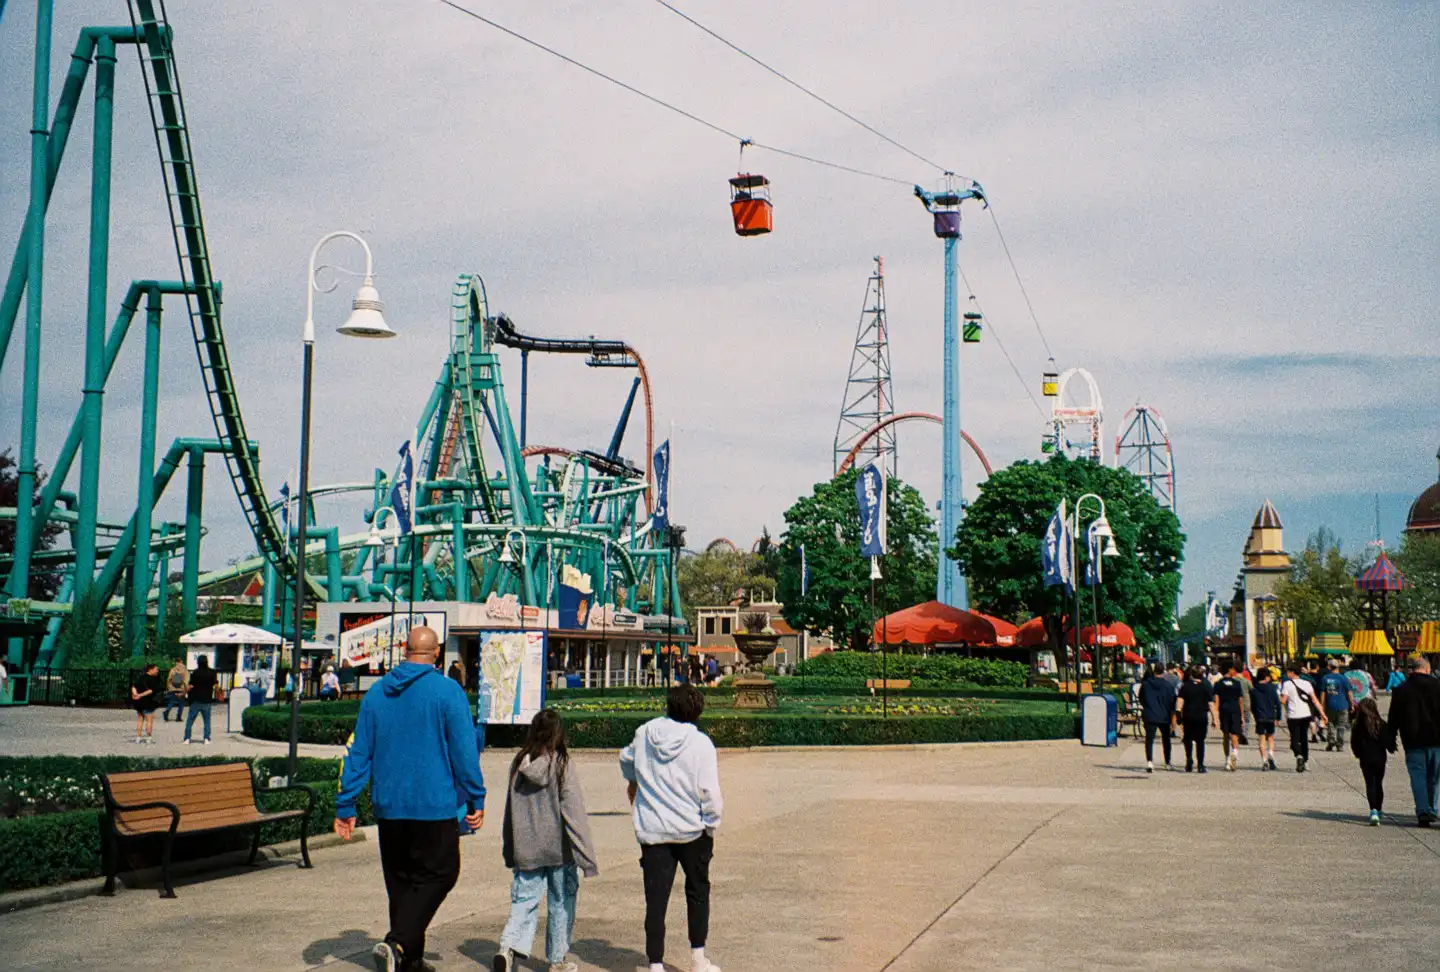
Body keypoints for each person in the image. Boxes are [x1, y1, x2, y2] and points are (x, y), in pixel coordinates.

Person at [335, 627, 487, 972]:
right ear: (436, 654)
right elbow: (465, 752)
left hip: (389, 806)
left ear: (405, 650)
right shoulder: (448, 692)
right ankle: (397, 942)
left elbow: (358, 753)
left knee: (402, 883)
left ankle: (409, 962)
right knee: (442, 873)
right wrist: (476, 796)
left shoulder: (376, 694)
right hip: (433, 805)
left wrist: (346, 804)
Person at [620, 684, 724, 972]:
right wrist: (711, 826)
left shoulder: (644, 735)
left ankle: (655, 964)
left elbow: (625, 759)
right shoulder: (702, 743)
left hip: (653, 829)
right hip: (692, 830)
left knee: (655, 899)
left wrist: (633, 781)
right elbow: (709, 792)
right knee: (697, 892)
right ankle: (697, 958)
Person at [494, 710, 598, 972]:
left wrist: (510, 849)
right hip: (559, 850)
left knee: (524, 901)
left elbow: (510, 812)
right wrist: (587, 858)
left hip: (526, 848)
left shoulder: (519, 763)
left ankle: (507, 948)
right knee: (561, 902)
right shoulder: (562, 764)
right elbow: (574, 813)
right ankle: (557, 960)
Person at [1385, 653, 1440, 827]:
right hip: (1437, 739)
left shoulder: (1402, 689)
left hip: (1413, 740)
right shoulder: (1438, 686)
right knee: (1435, 777)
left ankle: (1422, 810)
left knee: (1418, 776)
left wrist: (1390, 738)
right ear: (1427, 669)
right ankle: (1433, 808)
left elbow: (1393, 717)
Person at [1279, 663, 1325, 772]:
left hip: (1293, 715)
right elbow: (1314, 699)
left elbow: (1283, 700)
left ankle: (1299, 755)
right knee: (1304, 738)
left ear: (1292, 672)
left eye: (1288, 671)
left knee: (1294, 738)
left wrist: (1277, 695)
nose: (1287, 673)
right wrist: (1322, 713)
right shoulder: (1307, 683)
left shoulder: (1287, 684)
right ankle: (1305, 761)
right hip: (1305, 714)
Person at [1350, 697, 1389, 826]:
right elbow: (1387, 741)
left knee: (1370, 783)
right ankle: (1379, 808)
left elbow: (1354, 743)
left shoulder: (1358, 725)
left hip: (1365, 757)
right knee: (1379, 783)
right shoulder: (1381, 723)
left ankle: (1373, 810)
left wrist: (1358, 753)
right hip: (1380, 757)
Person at [1176, 665, 1217, 773]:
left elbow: (1180, 701)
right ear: (1202, 674)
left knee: (1188, 738)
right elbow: (1211, 704)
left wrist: (1178, 713)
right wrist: (1214, 718)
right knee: (1200, 740)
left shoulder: (1185, 686)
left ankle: (1189, 759)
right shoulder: (1205, 686)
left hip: (1188, 715)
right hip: (1201, 715)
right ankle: (1200, 764)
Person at [1138, 663, 1177, 773]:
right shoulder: (1168, 685)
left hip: (1150, 713)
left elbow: (1141, 698)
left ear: (1154, 671)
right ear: (1163, 671)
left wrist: (1147, 706)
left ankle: (1150, 762)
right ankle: (1167, 762)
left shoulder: (1146, 684)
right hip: (1164, 715)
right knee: (1166, 739)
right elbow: (1172, 701)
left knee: (1149, 739)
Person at [1213, 661, 1246, 771]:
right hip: (1235, 710)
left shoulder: (1218, 684)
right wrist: (1242, 715)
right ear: (1230, 670)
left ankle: (1227, 759)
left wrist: (1215, 715)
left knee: (1226, 735)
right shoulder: (1237, 684)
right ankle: (1235, 753)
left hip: (1224, 711)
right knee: (1235, 735)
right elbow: (1240, 700)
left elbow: (1216, 700)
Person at [1250, 667, 1281, 771]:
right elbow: (1277, 703)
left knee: (1261, 739)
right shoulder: (1272, 688)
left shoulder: (1253, 690)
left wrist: (1255, 716)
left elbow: (1252, 706)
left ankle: (1264, 760)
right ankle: (1271, 754)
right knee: (1270, 737)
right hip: (1271, 716)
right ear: (1267, 677)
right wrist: (1278, 717)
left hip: (1260, 717)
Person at [1320, 658, 1354, 752]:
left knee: (1330, 724)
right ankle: (1340, 744)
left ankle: (1331, 741)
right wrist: (1352, 704)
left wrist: (1322, 707)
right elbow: (1349, 693)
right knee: (1341, 725)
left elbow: (1322, 694)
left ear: (1329, 667)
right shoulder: (1344, 678)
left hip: (1330, 705)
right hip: (1343, 705)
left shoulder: (1325, 678)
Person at [183, 655, 219, 745]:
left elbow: (190, 686)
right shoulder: (212, 672)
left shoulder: (195, 673)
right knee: (207, 721)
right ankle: (206, 738)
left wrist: (184, 693)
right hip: (207, 700)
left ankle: (187, 738)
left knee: (190, 720)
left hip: (195, 699)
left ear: (198, 662)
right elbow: (216, 686)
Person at [130, 663, 162, 744]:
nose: (157, 671)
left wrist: (135, 694)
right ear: (150, 669)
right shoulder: (153, 679)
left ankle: (138, 737)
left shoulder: (141, 677)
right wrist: (140, 695)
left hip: (139, 703)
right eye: (156, 669)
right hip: (148, 702)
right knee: (149, 720)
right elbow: (151, 690)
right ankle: (149, 738)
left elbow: (133, 687)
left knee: (140, 720)